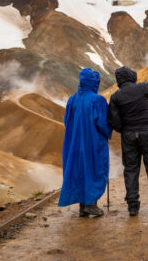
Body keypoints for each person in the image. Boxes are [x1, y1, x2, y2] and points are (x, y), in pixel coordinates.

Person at [108, 66, 148, 216]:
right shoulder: (142, 87)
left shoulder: (116, 97)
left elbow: (114, 120)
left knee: (130, 169)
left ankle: (133, 207)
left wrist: (124, 130)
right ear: (131, 76)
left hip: (128, 135)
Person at [58, 68, 112, 217]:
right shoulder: (97, 99)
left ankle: (83, 206)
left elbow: (66, 121)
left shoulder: (72, 99)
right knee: (94, 169)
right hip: (93, 142)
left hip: (74, 142)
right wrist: (109, 131)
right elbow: (102, 123)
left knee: (79, 170)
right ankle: (91, 205)